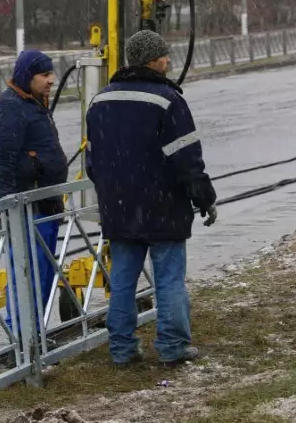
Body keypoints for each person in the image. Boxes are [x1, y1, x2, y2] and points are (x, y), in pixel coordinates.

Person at [85, 30, 218, 366]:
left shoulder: (100, 101)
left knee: (122, 282)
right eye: (164, 55)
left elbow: (93, 160)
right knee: (169, 280)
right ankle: (172, 347)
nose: (169, 60)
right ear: (153, 59)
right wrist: (204, 197)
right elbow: (186, 158)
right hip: (163, 205)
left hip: (118, 208)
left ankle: (122, 350)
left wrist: (115, 189)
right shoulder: (168, 101)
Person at [0, 49, 69, 333]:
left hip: (45, 204)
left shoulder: (35, 103)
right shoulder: (11, 108)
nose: (51, 80)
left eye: (51, 74)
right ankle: (24, 344)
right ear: (27, 76)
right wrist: (10, 206)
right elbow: (1, 162)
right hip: (27, 208)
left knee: (43, 277)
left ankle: (35, 339)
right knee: (28, 278)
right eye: (45, 75)